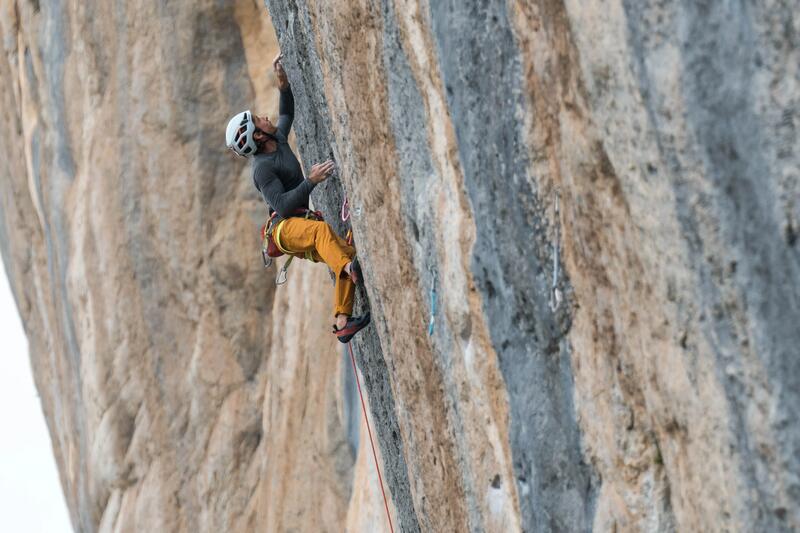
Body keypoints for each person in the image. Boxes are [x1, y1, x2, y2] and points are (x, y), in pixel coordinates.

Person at [225, 52, 370, 343]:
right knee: (323, 236)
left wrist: (283, 85)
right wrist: (311, 181)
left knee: (342, 250)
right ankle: (346, 268)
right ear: (256, 136)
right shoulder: (262, 171)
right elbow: (282, 205)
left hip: (297, 222)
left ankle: (342, 321)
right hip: (282, 229)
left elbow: (287, 114)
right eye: (257, 120)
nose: (264, 118)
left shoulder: (276, 140)